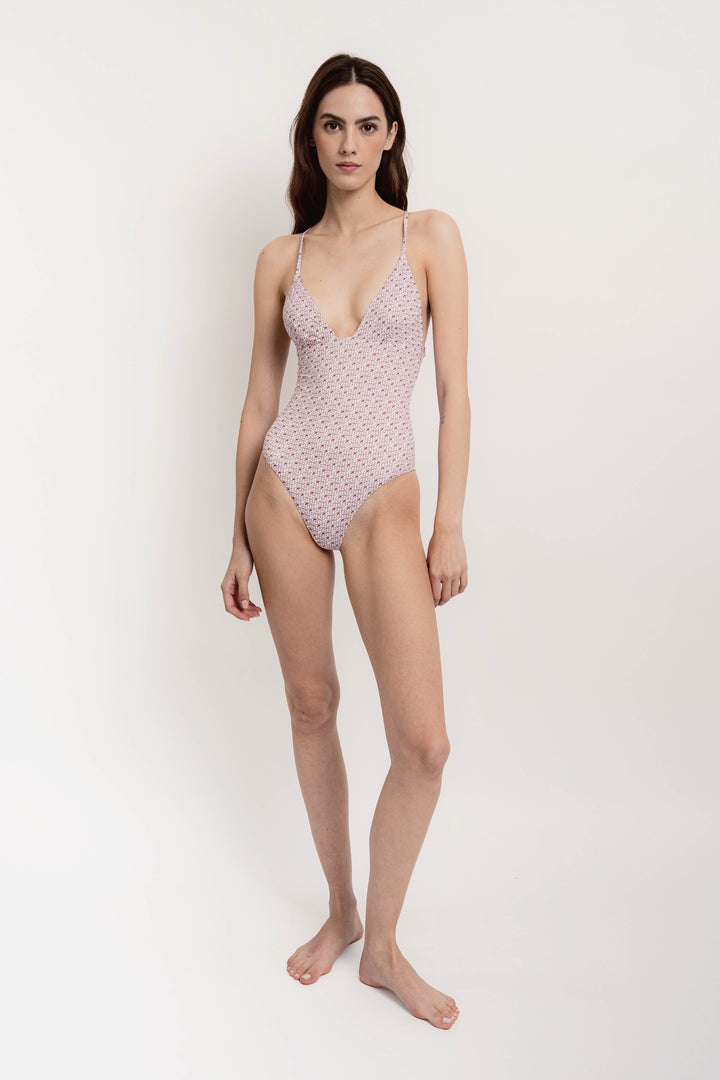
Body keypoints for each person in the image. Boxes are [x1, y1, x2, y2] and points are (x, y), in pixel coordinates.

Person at [221, 53, 470, 1030]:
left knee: (424, 745)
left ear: (391, 135)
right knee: (311, 702)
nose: (350, 142)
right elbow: (258, 404)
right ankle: (342, 910)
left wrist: (449, 522)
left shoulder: (430, 236)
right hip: (283, 491)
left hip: (383, 501)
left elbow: (454, 392)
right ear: (311, 138)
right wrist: (234, 538)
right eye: (333, 125)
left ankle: (387, 950)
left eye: (368, 125)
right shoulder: (280, 259)